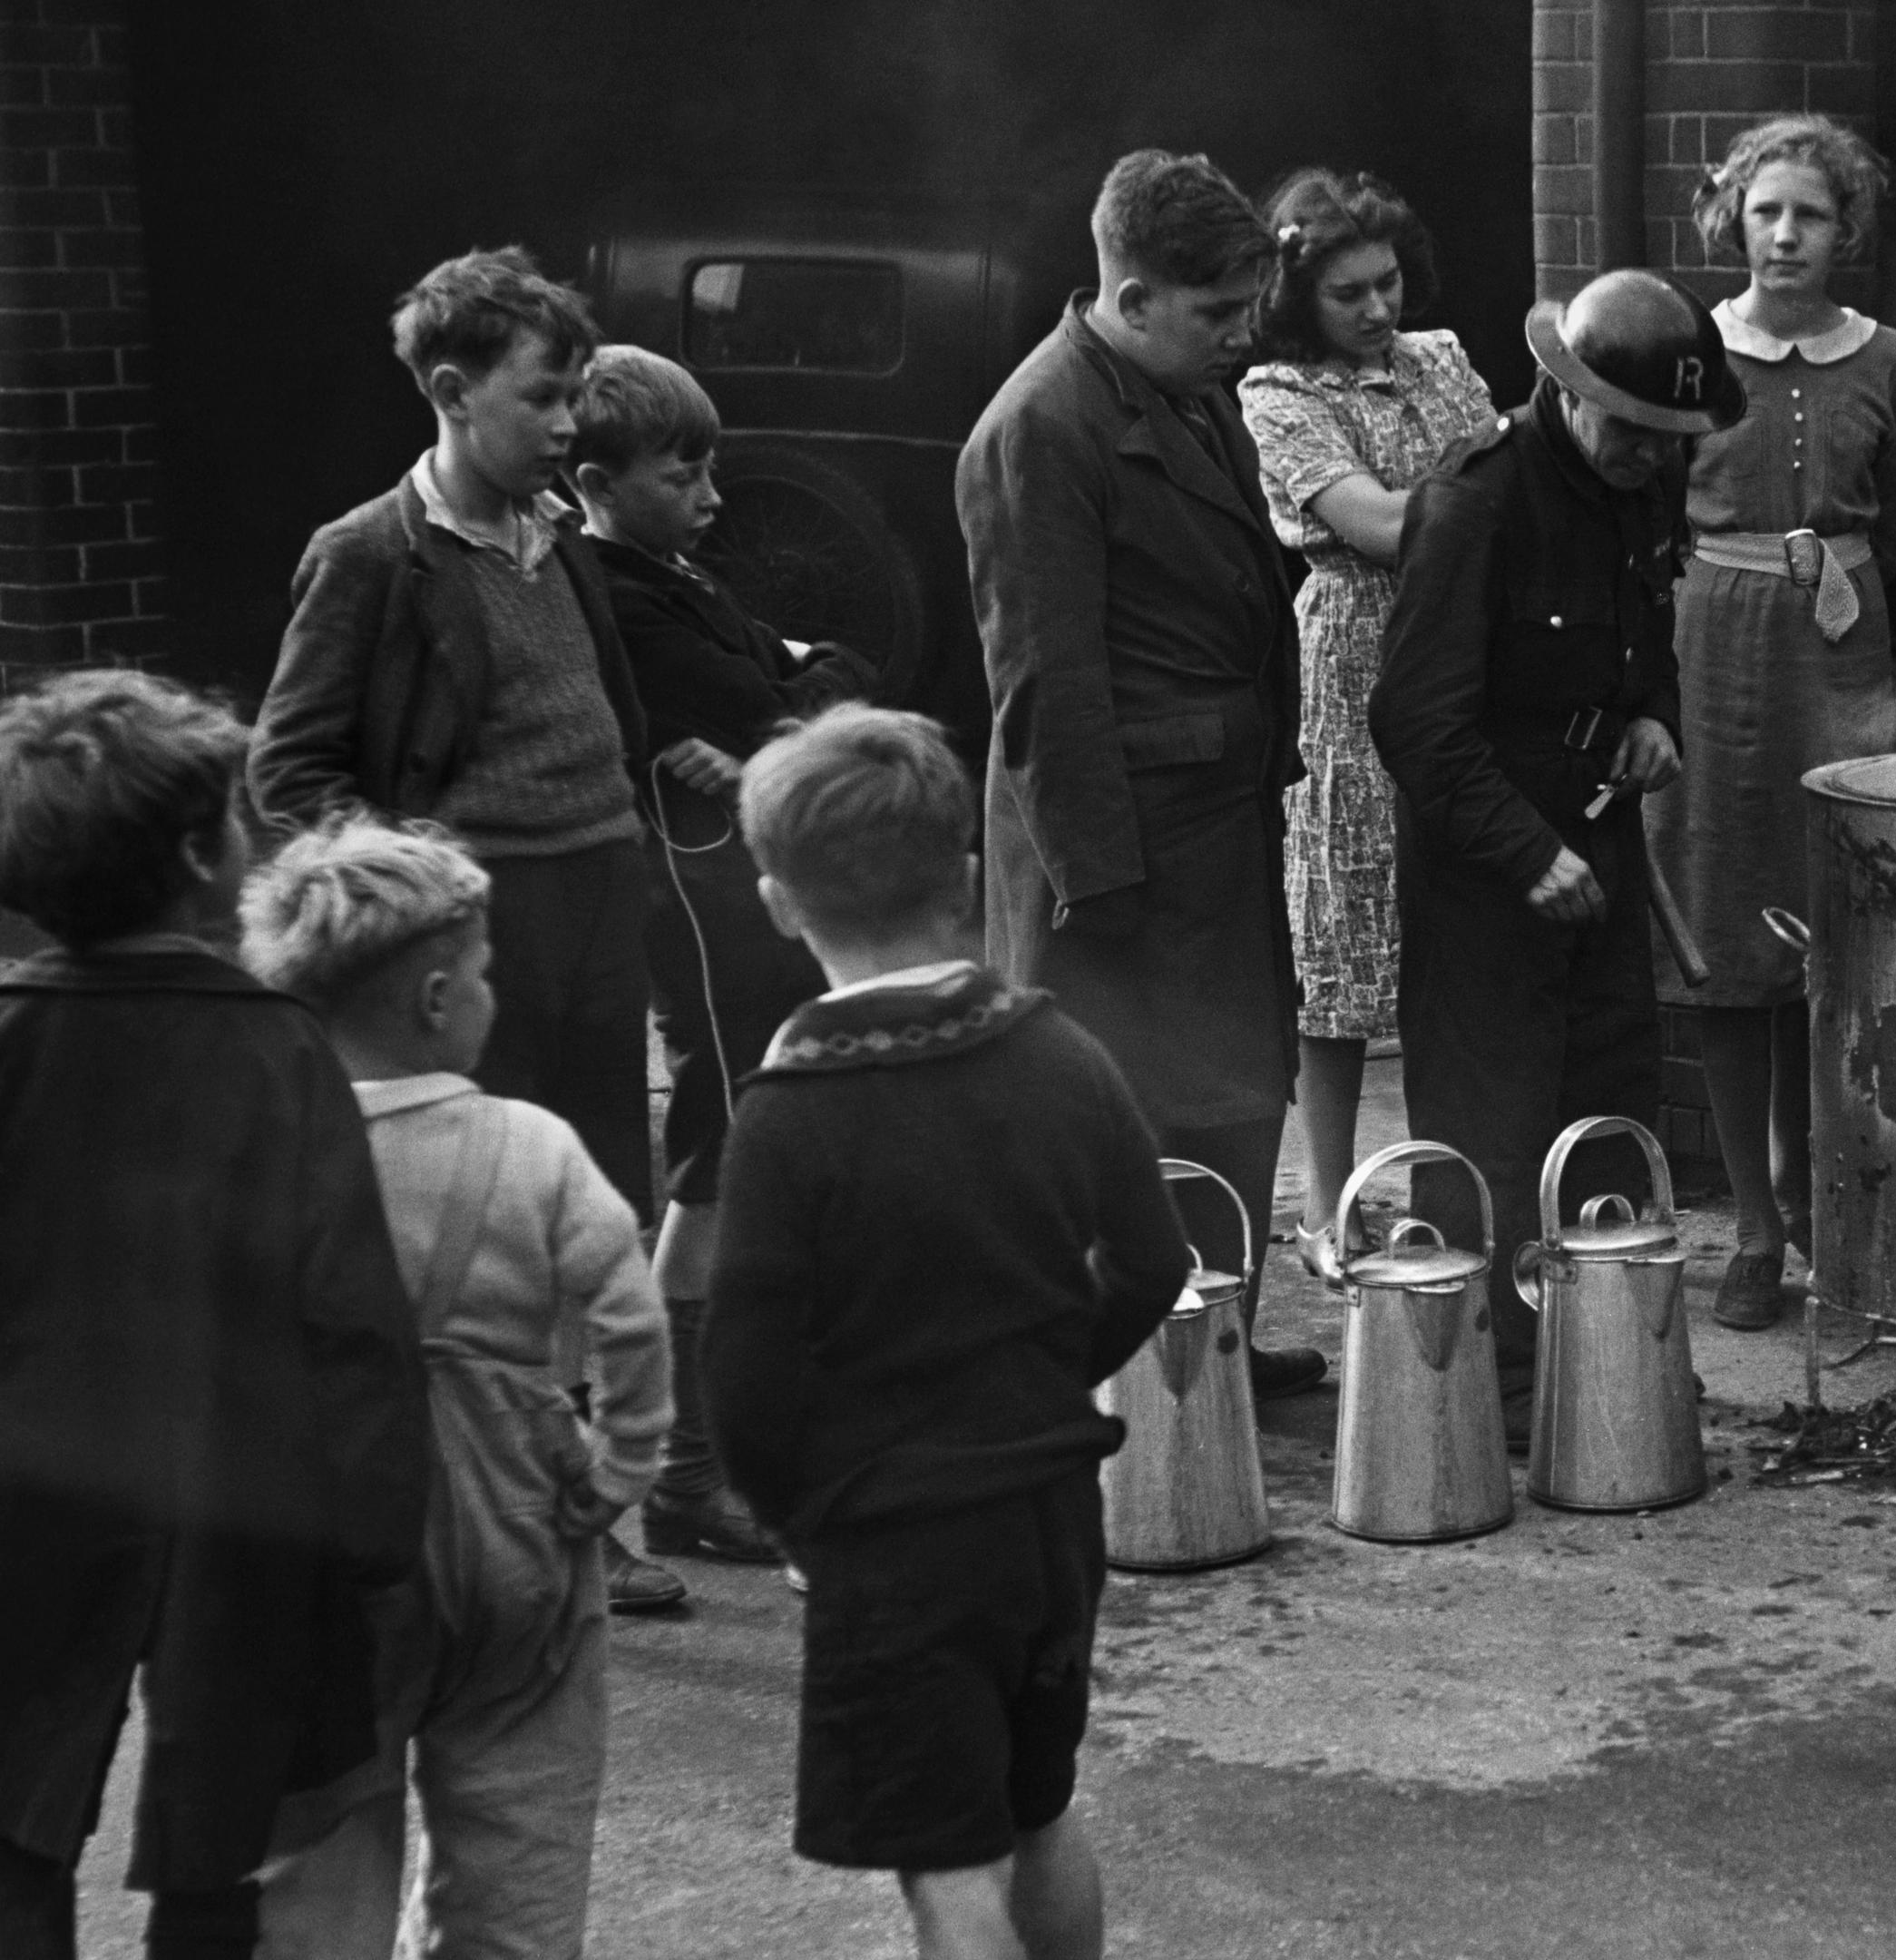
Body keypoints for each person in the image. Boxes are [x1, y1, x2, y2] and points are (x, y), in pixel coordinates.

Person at [704, 705, 1191, 1960]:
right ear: (969, 876)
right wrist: (1038, 1374)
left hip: (891, 1537)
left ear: (774, 900)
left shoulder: (785, 1114)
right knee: (1039, 1812)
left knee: (945, 1861)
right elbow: (1153, 1260)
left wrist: (795, 1512)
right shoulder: (1060, 1052)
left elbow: (747, 1378)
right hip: (1049, 1512)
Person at [0, 672, 425, 1960]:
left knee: (13, 1814)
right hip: (238, 1493)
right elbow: (349, 1313)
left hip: (21, 1482)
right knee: (218, 1829)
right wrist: (379, 1534)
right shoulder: (277, 1050)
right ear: (199, 859)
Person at [240, 820, 672, 1960]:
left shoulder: (257, 1142)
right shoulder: (529, 1145)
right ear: (437, 997)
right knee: (519, 1848)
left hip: (322, 1551)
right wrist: (621, 1468)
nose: (493, 993)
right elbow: (628, 1310)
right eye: (485, 973)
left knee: (321, 1852)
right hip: (516, 1538)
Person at [960, 149, 1320, 1397]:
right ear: (1131, 299)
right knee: (1114, 1117)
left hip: (1212, 826)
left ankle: (1210, 1339)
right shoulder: (1041, 429)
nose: (1244, 336)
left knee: (1230, 1097)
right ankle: (1105, 1374)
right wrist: (1097, 890)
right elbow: (1044, 686)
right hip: (1119, 857)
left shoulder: (1183, 385)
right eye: (1219, 314)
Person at [1372, 270, 1734, 1432]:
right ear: (1568, 392)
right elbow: (1417, 725)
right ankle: (1495, 1386)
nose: (1652, 454)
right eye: (1632, 429)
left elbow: (1650, 644)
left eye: (1670, 436)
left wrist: (1654, 723)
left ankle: (1609, 1358)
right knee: (1492, 1128)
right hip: (1491, 870)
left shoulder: (1640, 489)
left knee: (1609, 1109)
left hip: (1601, 846)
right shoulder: (1475, 504)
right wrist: (1528, 854)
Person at [572, 342, 898, 1576]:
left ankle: (718, 1447)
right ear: (597, 481)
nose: (712, 496)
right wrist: (788, 698)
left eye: (711, 466)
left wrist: (792, 698)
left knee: (742, 1144)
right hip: (698, 913)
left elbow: (836, 685)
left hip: (741, 896)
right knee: (713, 1155)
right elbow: (774, 698)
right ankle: (681, 1472)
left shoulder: (679, 572)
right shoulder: (621, 594)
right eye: (681, 472)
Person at [247, 249, 653, 1226]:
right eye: (543, 399)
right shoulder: (368, 556)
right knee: (496, 1187)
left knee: (601, 1185)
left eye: (576, 400)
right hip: (484, 914)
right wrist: (417, 896)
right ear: (452, 392)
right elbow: (288, 770)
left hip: (605, 881)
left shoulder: (563, 536)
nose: (567, 427)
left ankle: (600, 1371)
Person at [1650, 113, 1896, 1328]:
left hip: (1839, 644)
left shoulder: (1893, 362)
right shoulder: (1687, 348)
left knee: (1836, 920)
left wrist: (1839, 589)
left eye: (1809, 214)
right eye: (1764, 211)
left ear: (1845, 229)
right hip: (1713, 641)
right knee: (1724, 916)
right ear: (1732, 218)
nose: (1783, 234)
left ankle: (1828, 1210)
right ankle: (1755, 1230)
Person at [1237, 169, 1500, 1281]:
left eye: (1388, 282)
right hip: (1352, 658)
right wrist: (1475, 487)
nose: (1379, 307)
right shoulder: (1274, 394)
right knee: (1339, 937)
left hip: (1473, 652)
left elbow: (1493, 494)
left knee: (1465, 918)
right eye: (1350, 293)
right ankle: (1330, 1204)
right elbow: (1383, 530)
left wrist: (1464, 497)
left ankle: (1455, 1179)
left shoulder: (1438, 356)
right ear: (1303, 297)